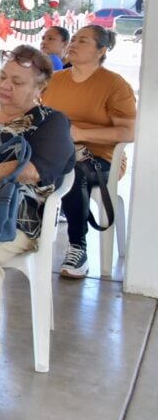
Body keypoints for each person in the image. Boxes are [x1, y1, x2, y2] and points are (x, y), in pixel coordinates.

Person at [0, 45, 75, 400]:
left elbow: (35, 171)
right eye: (4, 77)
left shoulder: (51, 122)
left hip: (14, 221)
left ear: (39, 90)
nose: (5, 86)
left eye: (17, 82)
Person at [41, 25, 136, 279]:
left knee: (75, 172)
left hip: (100, 160)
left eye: (83, 41)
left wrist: (82, 134)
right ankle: (23, 233)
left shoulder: (114, 85)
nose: (73, 44)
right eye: (73, 39)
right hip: (57, 155)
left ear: (101, 50)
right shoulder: (55, 80)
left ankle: (77, 247)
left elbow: (129, 132)